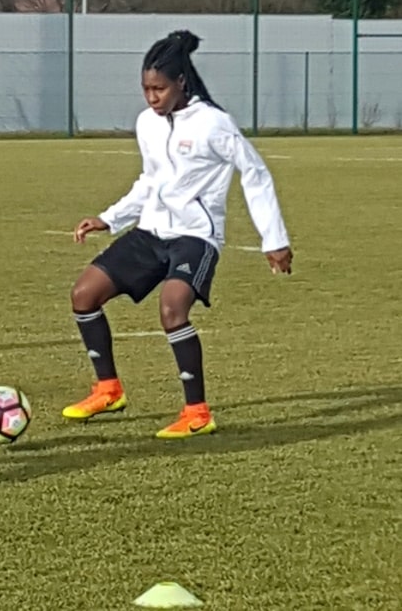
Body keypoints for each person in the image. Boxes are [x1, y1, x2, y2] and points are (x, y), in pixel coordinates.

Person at [62, 30, 293, 439]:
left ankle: (197, 412)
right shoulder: (147, 124)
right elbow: (150, 180)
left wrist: (273, 239)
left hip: (195, 236)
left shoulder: (213, 125)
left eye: (159, 88)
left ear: (181, 82)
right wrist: (110, 218)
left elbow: (254, 173)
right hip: (151, 231)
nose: (151, 97)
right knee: (83, 295)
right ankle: (108, 389)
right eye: (146, 89)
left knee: (172, 310)